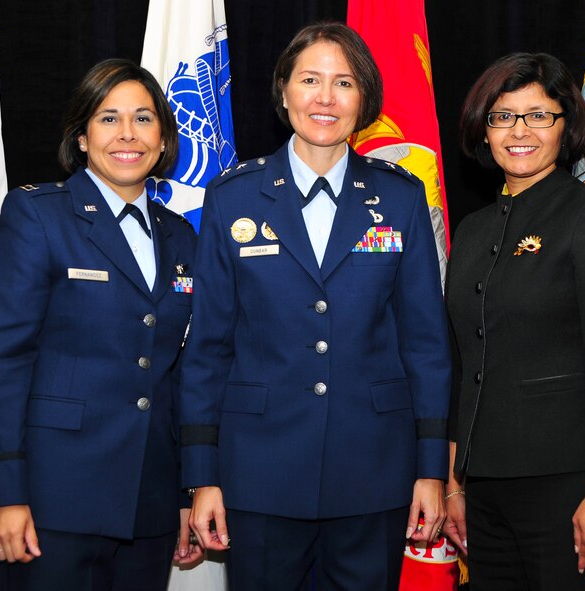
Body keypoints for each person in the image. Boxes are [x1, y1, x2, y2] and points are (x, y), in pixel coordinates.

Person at [178, 22, 451, 591]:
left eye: (344, 83)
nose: (325, 98)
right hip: (259, 473)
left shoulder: (400, 197)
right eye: (310, 80)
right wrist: (202, 476)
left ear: (364, 101)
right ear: (284, 92)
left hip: (373, 471)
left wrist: (430, 470)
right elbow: (208, 348)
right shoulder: (234, 197)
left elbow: (425, 344)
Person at [0, 58, 202, 590]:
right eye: (108, 118)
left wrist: (187, 493)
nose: (128, 134)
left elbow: (182, 374)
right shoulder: (38, 217)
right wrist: (4, 491)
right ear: (80, 137)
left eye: (144, 119)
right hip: (53, 501)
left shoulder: (183, 238)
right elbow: (3, 360)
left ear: (164, 138)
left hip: (149, 502)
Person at [442, 52, 585, 590]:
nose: (520, 131)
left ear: (567, 126)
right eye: (503, 116)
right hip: (485, 490)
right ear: (483, 129)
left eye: (538, 115)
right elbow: (462, 363)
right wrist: (454, 485)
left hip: (574, 486)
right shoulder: (470, 231)